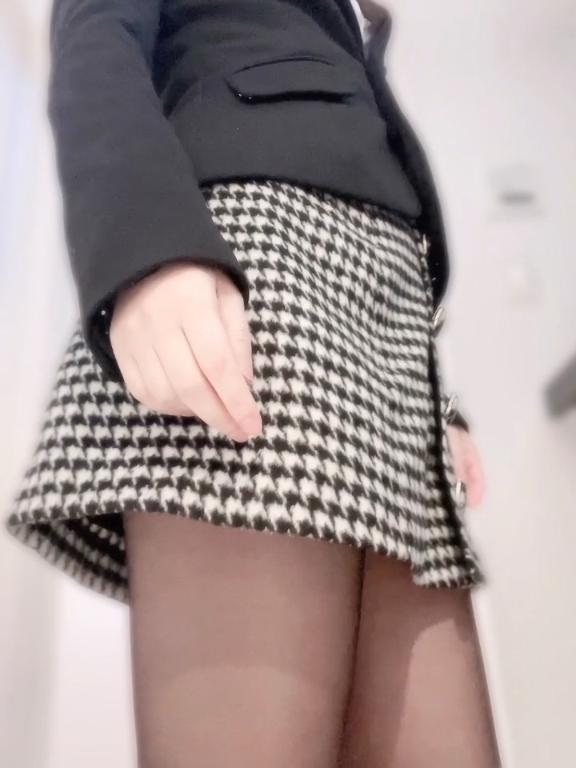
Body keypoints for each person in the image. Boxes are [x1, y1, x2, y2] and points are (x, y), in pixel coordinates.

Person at [5, 0, 501, 765]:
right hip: (260, 261)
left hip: (386, 318)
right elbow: (94, 28)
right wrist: (145, 246)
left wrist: (439, 401)